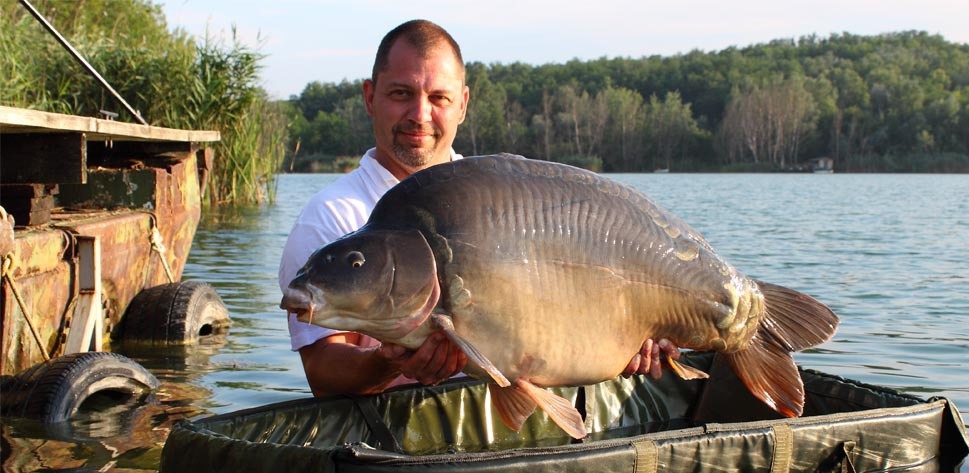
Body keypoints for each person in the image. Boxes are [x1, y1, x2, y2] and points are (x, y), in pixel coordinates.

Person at [279, 19, 677, 398]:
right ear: (370, 96)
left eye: (439, 98)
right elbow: (323, 373)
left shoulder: (506, 199)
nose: (420, 115)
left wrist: (623, 345)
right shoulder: (330, 217)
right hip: (395, 451)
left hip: (520, 433)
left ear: (463, 104)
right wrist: (389, 364)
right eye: (401, 94)